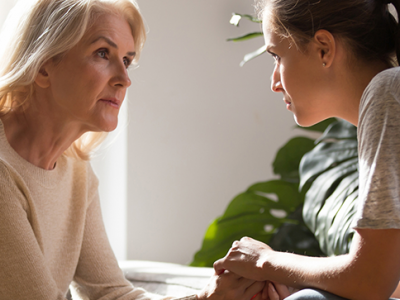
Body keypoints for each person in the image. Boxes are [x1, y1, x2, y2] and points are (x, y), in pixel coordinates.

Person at [0, 0, 267, 299]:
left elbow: (110, 293)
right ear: (44, 65)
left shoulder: (75, 170)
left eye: (126, 60)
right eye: (103, 53)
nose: (124, 79)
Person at [213, 0, 400, 299]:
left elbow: (371, 281)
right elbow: (389, 278)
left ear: (323, 49)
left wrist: (264, 261)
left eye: (276, 56)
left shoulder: (389, 92)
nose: (274, 82)